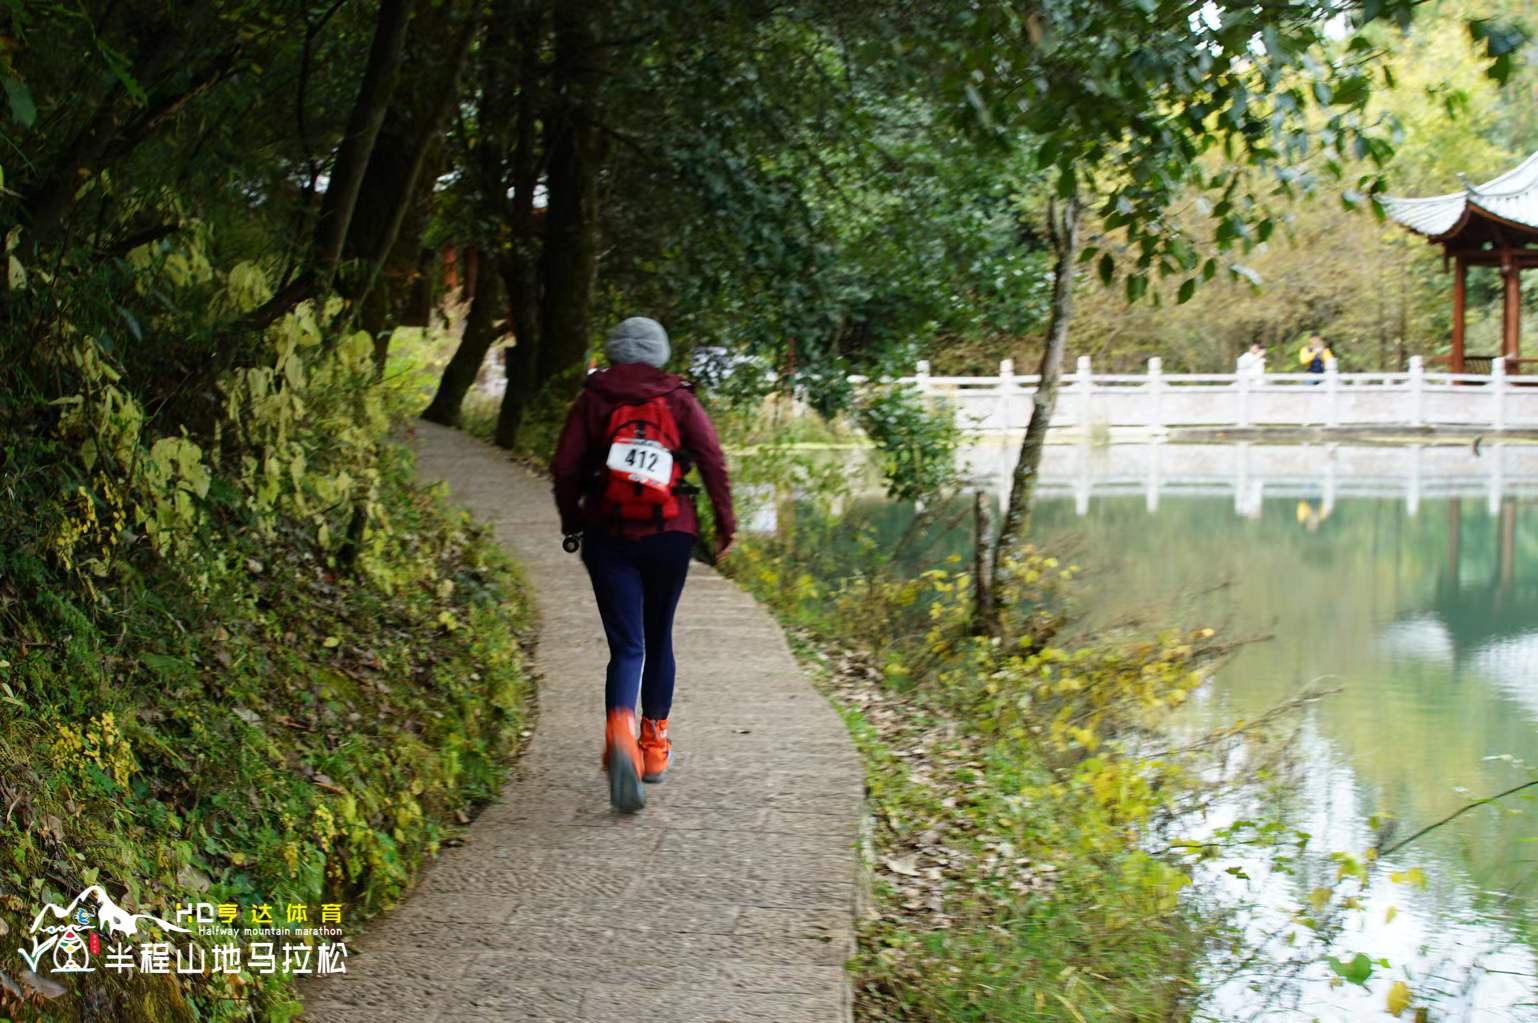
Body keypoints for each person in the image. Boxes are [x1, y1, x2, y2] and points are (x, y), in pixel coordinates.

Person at [550, 316, 736, 813]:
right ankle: (653, 747)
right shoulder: (678, 398)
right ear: (661, 353)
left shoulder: (593, 398)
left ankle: (619, 729)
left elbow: (564, 468)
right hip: (671, 533)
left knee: (627, 646)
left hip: (608, 533)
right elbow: (713, 460)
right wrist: (725, 524)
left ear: (613, 352)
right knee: (660, 635)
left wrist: (573, 519)